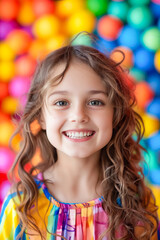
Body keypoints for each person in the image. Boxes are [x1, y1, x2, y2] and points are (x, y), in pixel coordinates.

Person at [0, 41, 159, 240]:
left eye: (95, 102)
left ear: (115, 114)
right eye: (61, 102)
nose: (78, 115)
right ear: (41, 116)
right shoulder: (20, 207)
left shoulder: (139, 203)